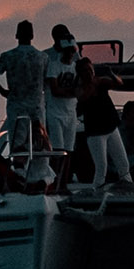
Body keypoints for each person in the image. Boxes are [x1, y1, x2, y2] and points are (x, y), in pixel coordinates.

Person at [0, 20, 50, 176]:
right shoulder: (42, 57)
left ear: (16, 35)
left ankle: (20, 174)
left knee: (18, 143)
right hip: (37, 106)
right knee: (39, 142)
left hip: (17, 105)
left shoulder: (8, 56)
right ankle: (39, 175)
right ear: (32, 35)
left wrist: (3, 91)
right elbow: (46, 81)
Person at [76, 62, 132, 186]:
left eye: (90, 70)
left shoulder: (101, 82)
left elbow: (118, 83)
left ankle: (128, 184)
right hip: (95, 133)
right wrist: (92, 85)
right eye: (85, 70)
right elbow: (83, 98)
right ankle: (97, 188)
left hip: (111, 128)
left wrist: (110, 74)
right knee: (101, 166)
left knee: (123, 162)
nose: (89, 73)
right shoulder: (80, 88)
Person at [38, 23, 82, 174]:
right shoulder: (48, 57)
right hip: (54, 109)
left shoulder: (75, 59)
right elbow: (54, 88)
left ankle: (65, 178)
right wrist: (73, 91)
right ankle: (56, 178)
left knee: (69, 148)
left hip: (71, 109)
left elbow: (80, 78)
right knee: (58, 148)